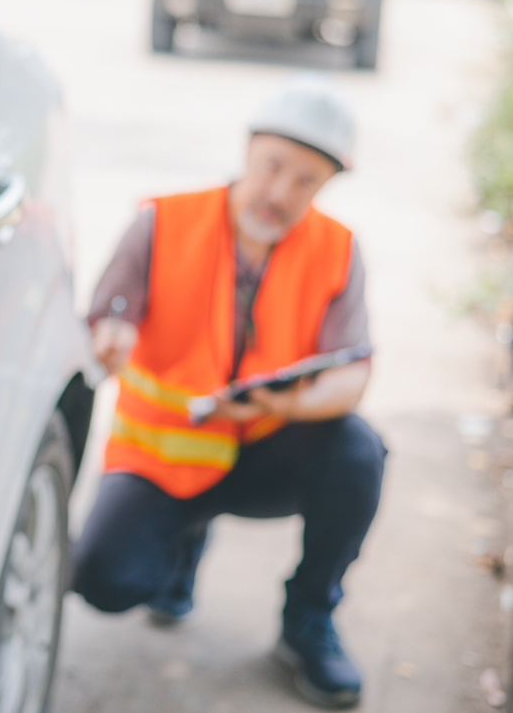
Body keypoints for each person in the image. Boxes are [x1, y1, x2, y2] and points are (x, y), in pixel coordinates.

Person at [72, 74, 384, 709]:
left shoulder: (338, 250)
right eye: (274, 166)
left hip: (260, 450)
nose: (280, 193)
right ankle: (179, 546)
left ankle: (308, 618)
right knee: (102, 581)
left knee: (358, 451)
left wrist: (288, 404)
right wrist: (112, 334)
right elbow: (107, 317)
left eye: (306, 181)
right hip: (165, 455)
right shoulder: (161, 222)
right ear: (247, 149)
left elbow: (354, 374)